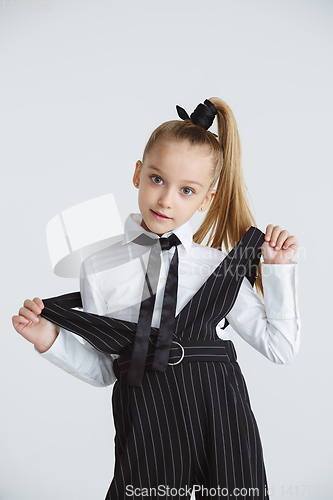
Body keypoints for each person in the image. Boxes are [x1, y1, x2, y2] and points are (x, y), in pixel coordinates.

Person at [12, 97, 301, 500]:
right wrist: (49, 339)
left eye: (187, 190)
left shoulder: (218, 265)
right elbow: (106, 369)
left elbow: (280, 348)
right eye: (157, 179)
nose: (166, 200)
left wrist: (278, 270)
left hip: (218, 411)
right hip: (146, 414)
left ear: (207, 200)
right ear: (137, 173)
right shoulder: (98, 267)